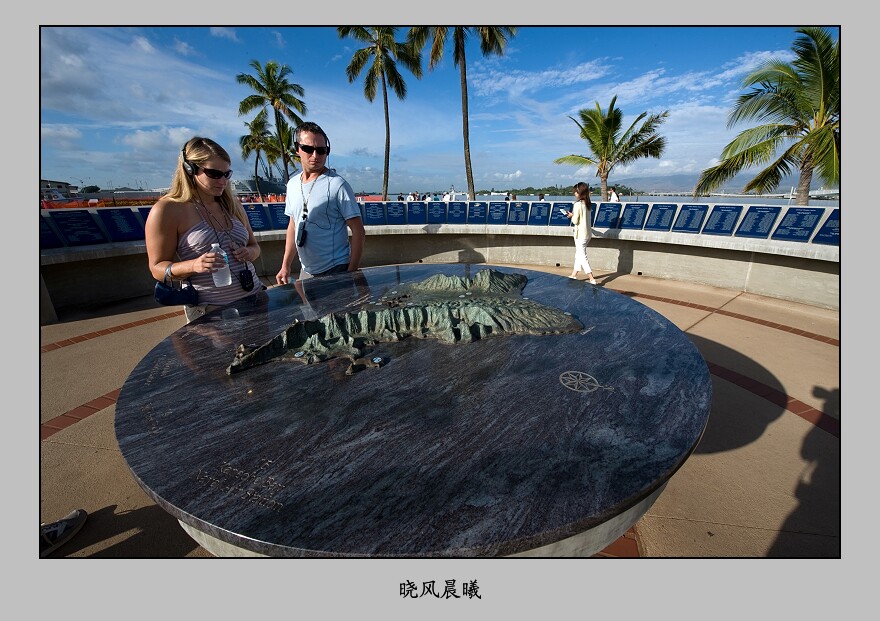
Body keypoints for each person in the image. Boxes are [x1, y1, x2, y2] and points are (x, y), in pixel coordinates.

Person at [146, 137, 263, 323]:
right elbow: (157, 268)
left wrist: (248, 252)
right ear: (190, 169)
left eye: (227, 174)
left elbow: (255, 246)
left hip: (255, 299)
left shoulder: (233, 205)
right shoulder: (168, 210)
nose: (222, 181)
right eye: (214, 174)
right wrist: (193, 265)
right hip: (211, 312)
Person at [276, 122, 365, 283]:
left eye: (321, 150)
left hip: (336, 269)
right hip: (307, 272)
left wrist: (351, 271)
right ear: (297, 149)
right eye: (308, 149)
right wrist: (285, 265)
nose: (315, 156)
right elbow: (293, 225)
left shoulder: (337, 185)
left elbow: (358, 230)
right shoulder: (292, 184)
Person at [563, 182, 597, 284]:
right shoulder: (588, 204)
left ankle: (591, 278)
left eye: (575, 192)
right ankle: (574, 274)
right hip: (587, 234)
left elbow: (575, 221)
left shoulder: (577, 205)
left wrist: (571, 216)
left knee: (582, 256)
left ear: (579, 192)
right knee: (579, 254)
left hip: (580, 235)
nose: (574, 194)